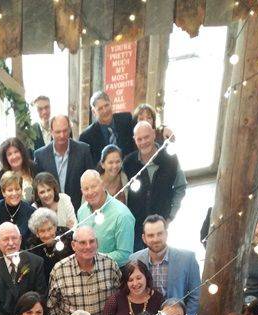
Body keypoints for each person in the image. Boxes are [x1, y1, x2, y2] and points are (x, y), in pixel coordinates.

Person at [47, 226, 121, 315]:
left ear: (97, 243)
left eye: (92, 241)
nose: (88, 246)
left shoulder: (110, 265)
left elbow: (120, 296)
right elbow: (51, 305)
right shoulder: (59, 270)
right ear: (73, 245)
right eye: (82, 243)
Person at [123, 121, 187, 251]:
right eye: (139, 139)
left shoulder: (170, 159)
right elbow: (123, 194)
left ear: (153, 134)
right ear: (134, 140)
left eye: (146, 137)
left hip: (160, 224)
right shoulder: (129, 162)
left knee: (160, 260)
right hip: (137, 228)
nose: (143, 142)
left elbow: (180, 187)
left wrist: (170, 216)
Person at [130, 214, 201, 315]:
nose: (156, 239)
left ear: (166, 234)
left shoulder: (188, 259)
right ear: (144, 238)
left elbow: (196, 295)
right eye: (151, 235)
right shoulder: (134, 260)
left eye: (160, 234)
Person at [34, 114, 94, 211]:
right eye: (58, 132)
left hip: (78, 209)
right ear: (51, 132)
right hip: (50, 212)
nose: (62, 135)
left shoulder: (83, 150)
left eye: (65, 131)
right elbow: (38, 187)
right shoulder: (40, 155)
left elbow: (91, 179)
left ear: (70, 129)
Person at [77, 170, 135, 266]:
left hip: (114, 275)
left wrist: (94, 259)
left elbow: (125, 255)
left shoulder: (122, 214)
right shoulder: (81, 211)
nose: (90, 192)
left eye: (93, 186)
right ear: (81, 191)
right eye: (86, 189)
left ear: (103, 185)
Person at [99, 260, 164, 315]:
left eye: (139, 278)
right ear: (126, 282)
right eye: (130, 280)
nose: (135, 283)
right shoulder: (115, 300)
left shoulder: (158, 299)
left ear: (146, 277)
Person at [78, 91, 136, 163]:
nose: (105, 111)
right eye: (100, 108)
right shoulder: (86, 137)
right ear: (93, 112)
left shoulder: (126, 120)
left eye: (106, 105)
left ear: (111, 104)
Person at [26, 208, 73, 281]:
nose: (47, 234)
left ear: (55, 226)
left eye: (49, 229)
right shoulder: (33, 246)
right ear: (36, 233)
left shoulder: (67, 236)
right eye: (42, 231)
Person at [0, 171, 37, 238]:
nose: (14, 193)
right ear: (3, 192)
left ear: (21, 190)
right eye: (10, 190)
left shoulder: (31, 212)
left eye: (17, 189)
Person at [0, 138, 38, 203]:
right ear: (5, 158)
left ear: (22, 152)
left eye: (16, 152)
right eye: (9, 154)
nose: (14, 156)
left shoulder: (33, 168)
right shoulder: (0, 176)